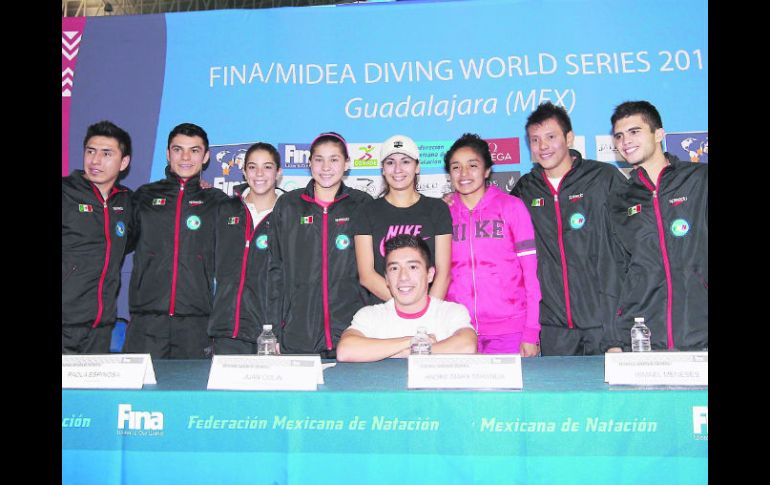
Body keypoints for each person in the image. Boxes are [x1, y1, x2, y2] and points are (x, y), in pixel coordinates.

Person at [510, 102, 627, 355]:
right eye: (535, 140)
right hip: (553, 326)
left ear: (569, 137)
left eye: (551, 137)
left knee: (609, 395)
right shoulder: (524, 190)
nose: (543, 146)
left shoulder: (603, 178)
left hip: (604, 321)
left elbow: (636, 236)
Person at [604, 100, 707, 351]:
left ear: (659, 134)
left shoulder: (699, 180)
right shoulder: (619, 199)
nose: (625, 141)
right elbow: (616, 270)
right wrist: (615, 338)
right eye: (619, 136)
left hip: (700, 330)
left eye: (634, 131)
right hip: (645, 335)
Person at [123, 122, 229, 359]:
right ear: (168, 153)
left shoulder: (217, 201)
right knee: (140, 396)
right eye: (178, 149)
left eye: (194, 150)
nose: (185, 157)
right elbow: (118, 243)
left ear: (206, 156)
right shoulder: (143, 196)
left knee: (192, 395)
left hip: (196, 322)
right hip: (146, 320)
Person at [268, 132, 372, 358]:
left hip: (351, 333)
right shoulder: (288, 205)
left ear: (347, 164)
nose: (326, 167)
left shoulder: (362, 204)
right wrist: (274, 329)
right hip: (297, 333)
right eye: (319, 159)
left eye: (334, 159)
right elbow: (274, 270)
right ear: (309, 163)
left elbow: (374, 269)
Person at [444, 133, 541, 356]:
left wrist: (531, 331)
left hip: (510, 332)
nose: (464, 174)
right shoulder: (442, 213)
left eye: (473, 165)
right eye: (456, 167)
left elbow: (531, 275)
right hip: (458, 331)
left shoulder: (511, 207)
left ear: (487, 170)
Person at [336, 234, 477, 362]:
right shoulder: (370, 315)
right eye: (394, 269)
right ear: (386, 278)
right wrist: (413, 341)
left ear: (430, 274)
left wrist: (406, 352)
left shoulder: (450, 312)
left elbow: (467, 346)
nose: (403, 277)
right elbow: (345, 351)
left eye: (413, 267)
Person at [354, 134, 452, 304]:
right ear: (383, 169)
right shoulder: (366, 211)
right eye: (390, 162)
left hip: (429, 316)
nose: (398, 169)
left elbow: (443, 273)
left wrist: (426, 312)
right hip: (384, 314)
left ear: (417, 167)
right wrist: (405, 307)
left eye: (405, 161)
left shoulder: (437, 209)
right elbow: (367, 275)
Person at [62, 120, 133, 354]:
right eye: (90, 152)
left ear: (124, 162)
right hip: (65, 323)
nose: (95, 161)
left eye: (106, 154)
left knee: (91, 392)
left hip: (101, 327)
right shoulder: (65, 193)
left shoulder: (127, 201)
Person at [207, 142, 285, 354]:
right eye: (252, 167)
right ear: (243, 172)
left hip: (271, 332)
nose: (259, 174)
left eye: (267, 167)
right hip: (228, 331)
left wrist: (281, 328)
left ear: (278, 172)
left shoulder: (290, 213)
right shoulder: (223, 210)